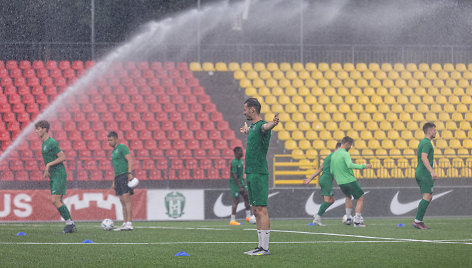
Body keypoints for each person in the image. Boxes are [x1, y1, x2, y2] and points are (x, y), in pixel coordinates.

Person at [240, 98, 279, 256]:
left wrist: (273, 123)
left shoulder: (262, 125)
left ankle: (265, 248)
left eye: (245, 109)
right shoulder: (254, 127)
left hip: (259, 173)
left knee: (261, 209)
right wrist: (247, 131)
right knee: (255, 210)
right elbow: (256, 130)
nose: (244, 112)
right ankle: (260, 246)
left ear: (252, 109)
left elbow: (266, 126)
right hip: (251, 172)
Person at [35, 120, 76, 233]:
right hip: (53, 175)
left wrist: (48, 165)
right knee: (59, 201)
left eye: (38, 129)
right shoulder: (44, 143)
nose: (36, 131)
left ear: (44, 129)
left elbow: (62, 157)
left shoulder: (51, 142)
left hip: (59, 174)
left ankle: (69, 223)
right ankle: (70, 223)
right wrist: (47, 169)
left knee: (55, 200)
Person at [304, 142, 354, 226]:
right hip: (326, 180)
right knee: (327, 200)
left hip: (324, 179)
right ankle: (317, 217)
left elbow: (320, 169)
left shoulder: (329, 157)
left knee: (332, 200)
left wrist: (310, 178)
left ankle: (317, 216)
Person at [330, 136, 371, 227]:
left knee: (348, 197)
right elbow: (349, 165)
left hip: (340, 182)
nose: (350, 147)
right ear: (347, 144)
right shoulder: (345, 153)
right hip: (349, 180)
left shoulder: (334, 155)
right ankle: (357, 222)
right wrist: (364, 166)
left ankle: (348, 219)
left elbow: (332, 170)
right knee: (360, 198)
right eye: (350, 145)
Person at [107, 131, 134, 231]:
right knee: (122, 201)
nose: (109, 142)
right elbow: (116, 167)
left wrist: (130, 173)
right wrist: (114, 179)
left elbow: (130, 159)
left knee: (126, 199)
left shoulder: (122, 147)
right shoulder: (113, 151)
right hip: (118, 177)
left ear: (116, 139)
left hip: (124, 175)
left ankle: (129, 223)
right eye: (108, 140)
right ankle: (124, 222)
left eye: (111, 140)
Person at [412, 123, 437, 230]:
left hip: (420, 172)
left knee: (428, 196)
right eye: (434, 130)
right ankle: (418, 221)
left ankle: (419, 220)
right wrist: (431, 171)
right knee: (427, 197)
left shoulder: (423, 142)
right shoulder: (427, 143)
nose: (436, 132)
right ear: (430, 130)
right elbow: (424, 157)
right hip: (424, 173)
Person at [229, 146, 252, 225]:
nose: (242, 153)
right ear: (236, 153)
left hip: (240, 182)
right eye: (240, 151)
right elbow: (234, 175)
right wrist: (240, 187)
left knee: (247, 196)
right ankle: (232, 220)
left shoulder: (241, 161)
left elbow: (240, 175)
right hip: (235, 184)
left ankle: (248, 216)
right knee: (236, 201)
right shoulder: (234, 162)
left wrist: (243, 184)